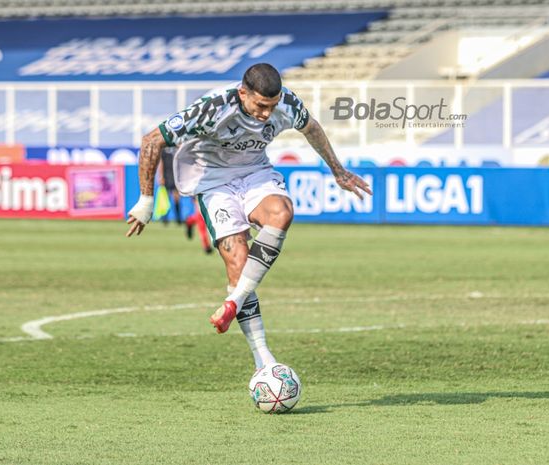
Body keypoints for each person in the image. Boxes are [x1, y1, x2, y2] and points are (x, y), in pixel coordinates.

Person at [125, 63, 371, 369]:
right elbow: (152, 140)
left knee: (282, 213)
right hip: (212, 180)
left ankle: (234, 301)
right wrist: (146, 200)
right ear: (243, 93)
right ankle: (263, 360)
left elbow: (312, 128)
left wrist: (338, 171)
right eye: (260, 105)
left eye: (273, 105)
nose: (267, 113)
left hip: (255, 171)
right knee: (238, 262)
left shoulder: (288, 104)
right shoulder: (213, 108)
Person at [157, 146, 182, 225]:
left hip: (175, 176)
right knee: (165, 198)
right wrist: (161, 176)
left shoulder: (177, 148)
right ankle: (165, 219)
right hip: (166, 176)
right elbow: (161, 163)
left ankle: (178, 219)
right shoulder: (164, 149)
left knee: (176, 198)